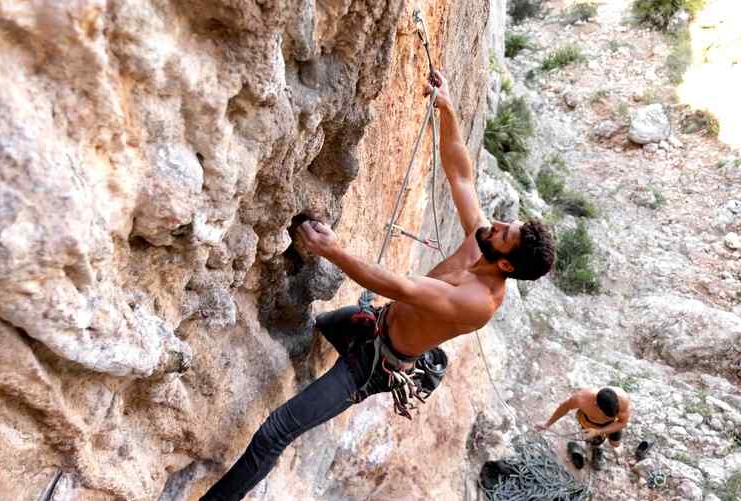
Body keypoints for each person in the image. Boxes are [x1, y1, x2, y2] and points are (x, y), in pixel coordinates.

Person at [200, 70, 556, 500]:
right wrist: (449, 110)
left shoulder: (479, 302)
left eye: (504, 233)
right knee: (310, 330)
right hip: (369, 324)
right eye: (505, 223)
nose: (495, 224)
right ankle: (306, 374)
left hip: (369, 367)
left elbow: (403, 287)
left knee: (273, 433)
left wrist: (333, 250)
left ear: (505, 263)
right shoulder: (481, 241)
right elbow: (461, 174)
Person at [537, 387, 632, 471]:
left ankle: (609, 442)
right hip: (589, 422)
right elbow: (564, 407)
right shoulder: (581, 398)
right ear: (596, 404)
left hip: (611, 425)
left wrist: (599, 431)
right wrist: (547, 424)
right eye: (605, 415)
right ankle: (596, 448)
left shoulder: (623, 400)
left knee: (615, 444)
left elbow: (622, 422)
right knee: (594, 441)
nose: (607, 417)